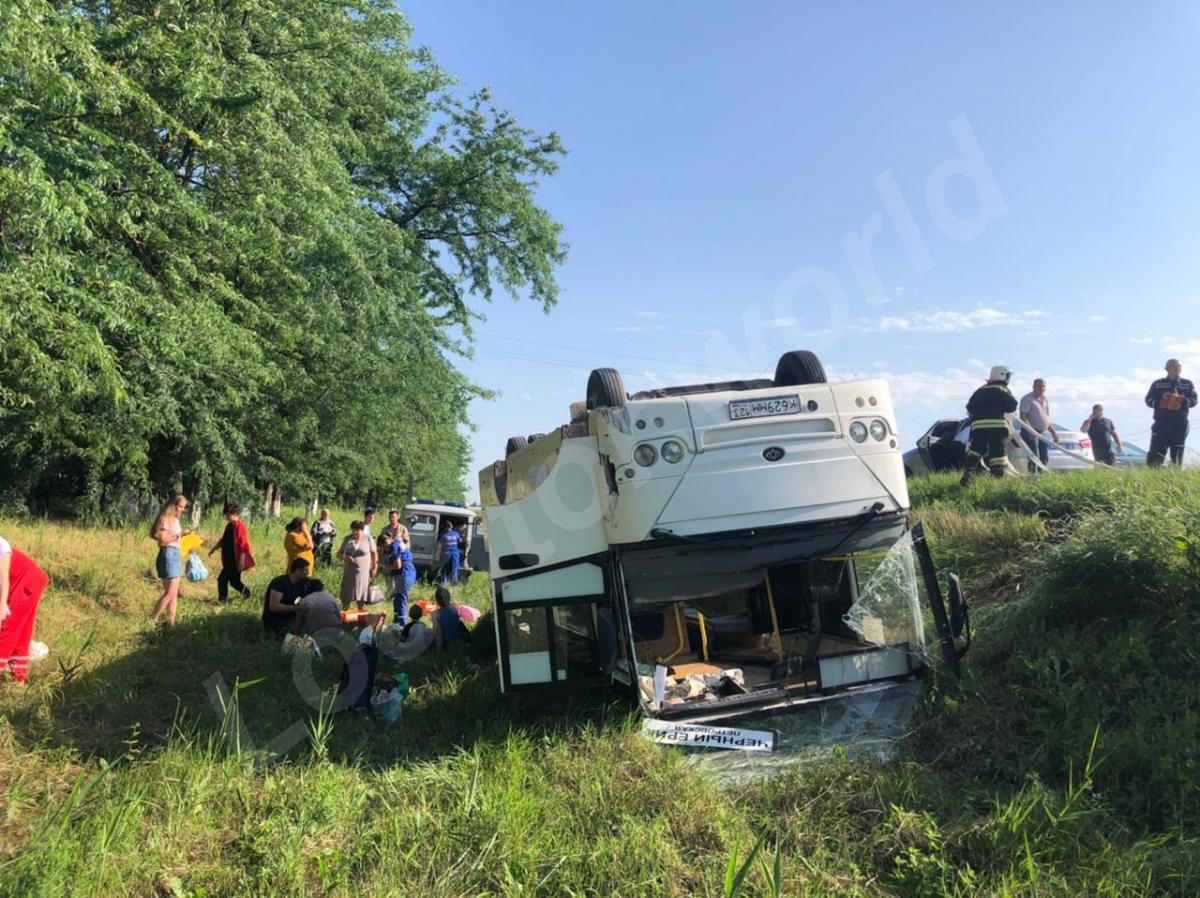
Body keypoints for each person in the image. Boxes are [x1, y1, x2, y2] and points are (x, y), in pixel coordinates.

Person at [0, 535, 49, 683]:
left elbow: (3, 580)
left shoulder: (2, 546)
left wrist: (2, 606)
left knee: (9, 628)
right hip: (26, 580)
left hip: (28, 580)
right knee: (22, 633)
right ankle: (19, 679)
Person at [961, 366, 1018, 486]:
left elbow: (969, 407)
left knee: (976, 449)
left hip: (978, 426)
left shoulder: (980, 390)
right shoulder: (1003, 389)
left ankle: (969, 472)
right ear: (1002, 375)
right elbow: (1012, 406)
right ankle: (996, 478)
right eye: (1008, 376)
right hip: (997, 425)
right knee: (996, 451)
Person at [1145, 358, 1197, 467]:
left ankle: (1175, 473)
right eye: (1174, 366)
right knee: (1156, 452)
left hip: (1179, 423)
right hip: (1161, 423)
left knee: (1177, 453)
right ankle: (1153, 472)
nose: (1177, 368)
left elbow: (1194, 400)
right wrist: (1161, 404)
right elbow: (1148, 400)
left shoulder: (1187, 384)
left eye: (1179, 366)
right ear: (1167, 368)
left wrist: (1183, 401)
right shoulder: (1157, 384)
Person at [150, 495, 190, 626]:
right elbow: (163, 540)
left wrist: (184, 539)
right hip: (168, 555)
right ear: (173, 505)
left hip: (175, 554)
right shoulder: (166, 519)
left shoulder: (176, 520)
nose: (182, 509)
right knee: (170, 592)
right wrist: (179, 535)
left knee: (174, 593)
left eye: (184, 507)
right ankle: (152, 619)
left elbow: (174, 539)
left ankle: (171, 623)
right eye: (180, 506)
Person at [262, 558, 322, 636]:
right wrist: (295, 608)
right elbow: (273, 606)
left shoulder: (300, 583)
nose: (308, 573)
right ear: (298, 571)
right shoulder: (280, 583)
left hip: (289, 617)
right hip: (274, 620)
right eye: (306, 570)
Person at [208, 502, 253, 602]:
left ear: (235, 514)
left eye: (228, 514)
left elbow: (244, 546)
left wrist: (241, 562)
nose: (226, 517)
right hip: (228, 560)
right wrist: (214, 549)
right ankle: (247, 594)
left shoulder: (240, 527)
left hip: (235, 561)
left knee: (222, 579)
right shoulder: (229, 526)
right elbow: (223, 541)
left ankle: (222, 600)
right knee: (234, 582)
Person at [1018, 378, 1058, 471]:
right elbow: (1023, 417)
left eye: (1043, 386)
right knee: (1033, 455)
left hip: (1042, 432)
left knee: (1044, 455)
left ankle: (1042, 474)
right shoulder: (1027, 398)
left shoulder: (1045, 399)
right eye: (1039, 386)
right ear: (1034, 387)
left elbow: (1046, 419)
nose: (1041, 388)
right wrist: (1030, 430)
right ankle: (1032, 475)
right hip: (1029, 431)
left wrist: (1053, 433)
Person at [337, 520, 376, 610]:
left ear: (362, 530)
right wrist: (346, 557)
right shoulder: (348, 539)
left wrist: (374, 567)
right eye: (353, 530)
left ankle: (360, 614)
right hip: (349, 572)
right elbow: (339, 554)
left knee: (361, 596)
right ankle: (345, 613)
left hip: (363, 573)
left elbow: (374, 553)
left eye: (357, 530)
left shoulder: (368, 538)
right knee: (346, 595)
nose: (355, 532)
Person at [384, 525, 416, 625]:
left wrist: (387, 568)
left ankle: (402, 624)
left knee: (401, 599)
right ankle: (396, 622)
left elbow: (397, 566)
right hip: (404, 573)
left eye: (384, 545)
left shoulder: (394, 547)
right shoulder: (396, 542)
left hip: (405, 573)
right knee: (397, 599)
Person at [437, 518, 462, 585]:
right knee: (455, 569)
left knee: (444, 569)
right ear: (451, 526)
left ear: (444, 527)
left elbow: (439, 543)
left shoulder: (442, 535)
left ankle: (444, 584)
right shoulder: (456, 534)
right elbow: (460, 540)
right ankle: (454, 584)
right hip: (455, 554)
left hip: (446, 554)